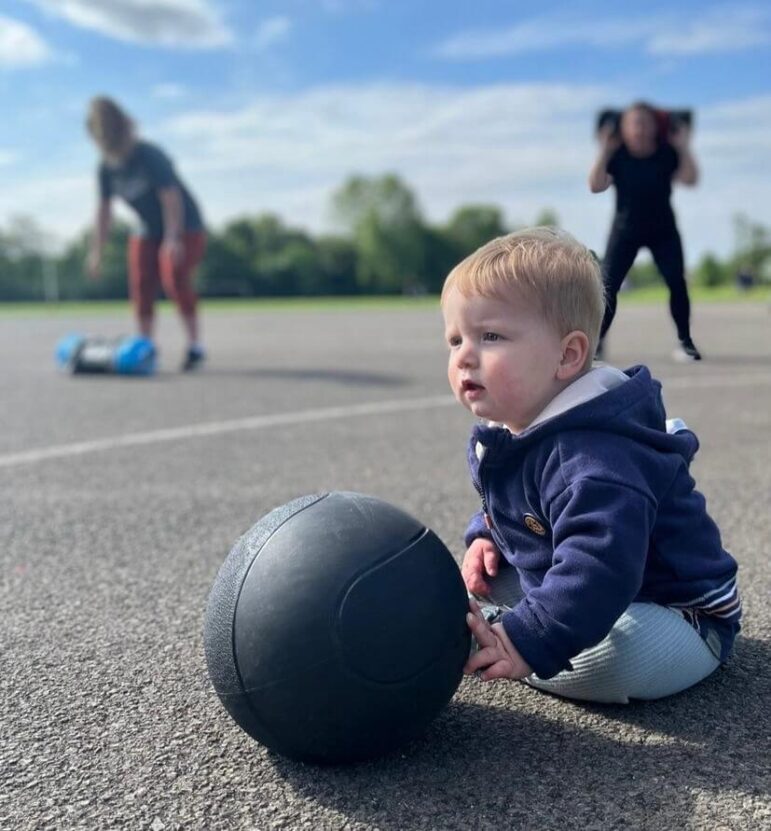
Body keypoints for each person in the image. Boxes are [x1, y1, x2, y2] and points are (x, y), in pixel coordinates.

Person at [441, 227, 740, 703]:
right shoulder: (512, 429)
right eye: (455, 340)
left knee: (615, 662)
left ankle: (509, 639)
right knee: (483, 578)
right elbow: (517, 501)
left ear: (568, 354)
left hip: (675, 612)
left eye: (490, 336)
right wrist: (486, 534)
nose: (464, 358)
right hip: (593, 582)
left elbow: (601, 565)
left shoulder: (598, 457)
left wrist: (529, 639)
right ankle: (513, 630)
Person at [86, 96, 207, 371]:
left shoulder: (148, 154)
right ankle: (145, 347)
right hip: (147, 228)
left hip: (184, 224)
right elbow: (104, 212)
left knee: (174, 279)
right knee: (141, 283)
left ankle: (195, 346)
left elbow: (170, 196)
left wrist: (173, 237)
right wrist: (97, 251)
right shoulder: (106, 168)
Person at [589, 102, 701, 361]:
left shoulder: (666, 153)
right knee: (607, 287)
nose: (639, 128)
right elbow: (595, 185)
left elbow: (690, 179)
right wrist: (604, 150)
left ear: (654, 127)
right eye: (634, 123)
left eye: (645, 122)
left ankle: (685, 342)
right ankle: (597, 344)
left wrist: (683, 147)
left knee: (677, 283)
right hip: (625, 230)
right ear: (624, 128)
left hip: (663, 230)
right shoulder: (617, 155)